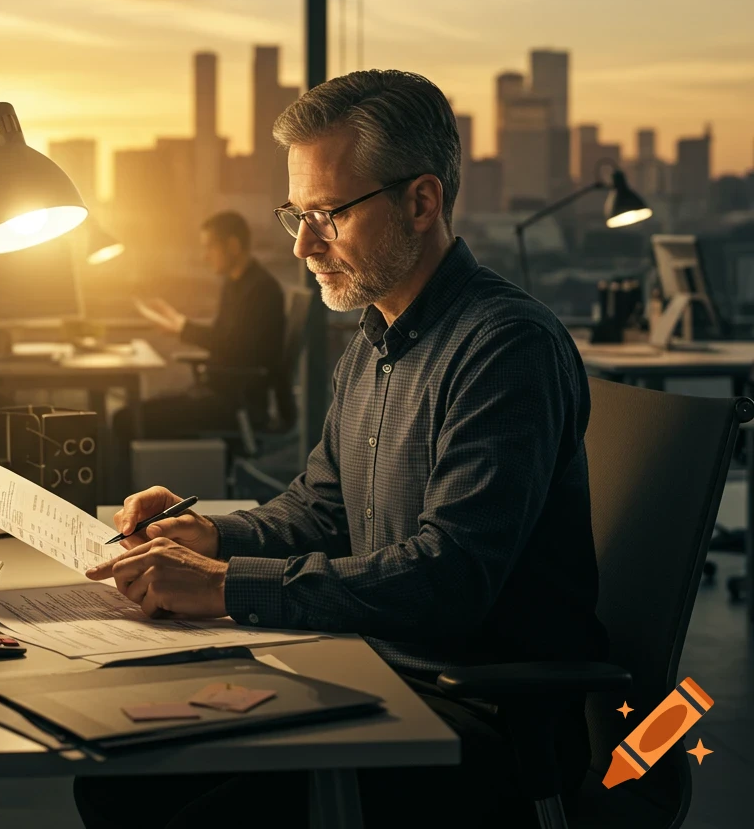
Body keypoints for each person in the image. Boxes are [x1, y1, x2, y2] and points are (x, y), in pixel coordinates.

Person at [77, 70, 608, 828]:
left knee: (169, 808)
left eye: (327, 213)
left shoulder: (505, 348)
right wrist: (209, 535)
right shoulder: (374, 341)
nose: (301, 244)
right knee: (115, 778)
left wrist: (227, 585)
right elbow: (320, 508)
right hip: (372, 670)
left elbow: (451, 578)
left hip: (478, 717)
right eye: (295, 213)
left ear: (420, 202)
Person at [116, 211, 286, 456]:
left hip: (234, 402)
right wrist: (180, 324)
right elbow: (225, 338)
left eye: (209, 247)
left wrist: (182, 328)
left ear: (233, 245)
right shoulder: (237, 284)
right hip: (220, 394)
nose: (205, 257)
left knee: (126, 418)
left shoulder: (260, 291)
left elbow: (235, 348)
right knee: (138, 410)